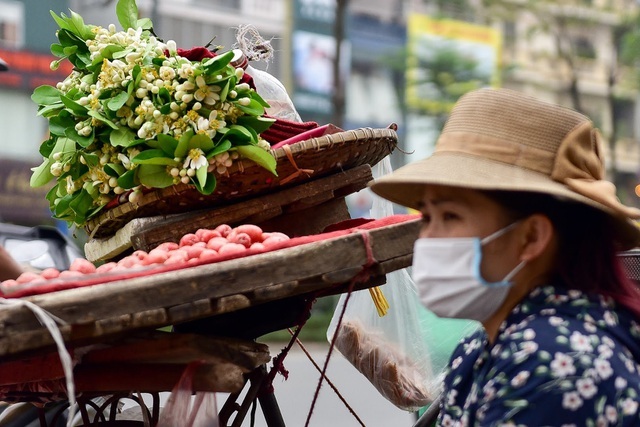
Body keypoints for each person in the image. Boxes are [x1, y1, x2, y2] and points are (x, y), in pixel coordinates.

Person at [370, 87, 640, 425]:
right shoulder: (480, 348)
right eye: (427, 217)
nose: (426, 239)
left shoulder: (555, 364)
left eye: (450, 216)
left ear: (531, 237)